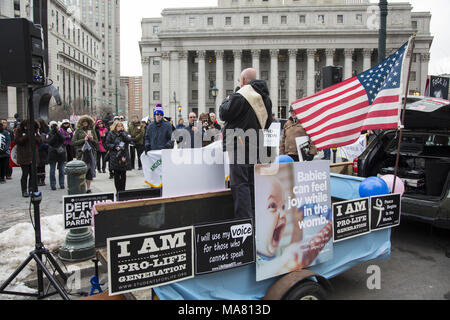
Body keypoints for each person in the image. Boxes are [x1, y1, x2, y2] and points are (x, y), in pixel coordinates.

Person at [220, 68, 273, 219]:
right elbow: (267, 123)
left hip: (240, 144)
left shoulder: (240, 96)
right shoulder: (266, 99)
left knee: (240, 185)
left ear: (243, 81)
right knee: (252, 184)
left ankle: (244, 224)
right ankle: (255, 222)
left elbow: (224, 113)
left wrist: (227, 99)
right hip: (257, 145)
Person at [14, 119, 42, 197]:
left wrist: (34, 135)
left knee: (32, 174)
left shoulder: (35, 131)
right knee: (25, 174)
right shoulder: (19, 131)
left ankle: (31, 189)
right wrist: (27, 135)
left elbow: (39, 141)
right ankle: (24, 190)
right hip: (23, 156)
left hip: (33, 156)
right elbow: (18, 141)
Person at [72, 115, 98, 193]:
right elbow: (73, 142)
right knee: (82, 170)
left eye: (86, 122)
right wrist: (84, 140)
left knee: (89, 171)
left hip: (90, 153)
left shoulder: (92, 130)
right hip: (81, 153)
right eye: (83, 122)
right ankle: (81, 187)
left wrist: (92, 139)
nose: (85, 123)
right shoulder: (78, 131)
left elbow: (97, 143)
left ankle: (88, 188)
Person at [106, 121, 133, 193]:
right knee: (116, 174)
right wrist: (115, 147)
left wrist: (123, 134)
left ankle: (123, 191)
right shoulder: (111, 133)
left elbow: (129, 140)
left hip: (123, 155)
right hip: (115, 155)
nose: (120, 127)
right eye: (118, 126)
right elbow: (107, 144)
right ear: (115, 127)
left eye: (121, 126)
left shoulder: (125, 133)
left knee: (123, 174)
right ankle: (118, 191)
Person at [47, 121, 66, 190]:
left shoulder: (60, 133)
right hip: (52, 153)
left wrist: (57, 133)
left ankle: (62, 184)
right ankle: (53, 185)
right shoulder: (49, 134)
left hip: (60, 153)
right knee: (52, 170)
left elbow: (63, 139)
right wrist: (54, 134)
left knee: (61, 169)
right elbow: (49, 142)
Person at [37, 119, 49, 186]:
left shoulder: (45, 130)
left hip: (42, 150)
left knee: (40, 166)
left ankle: (41, 180)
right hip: (41, 150)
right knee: (40, 166)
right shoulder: (36, 130)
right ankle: (40, 180)